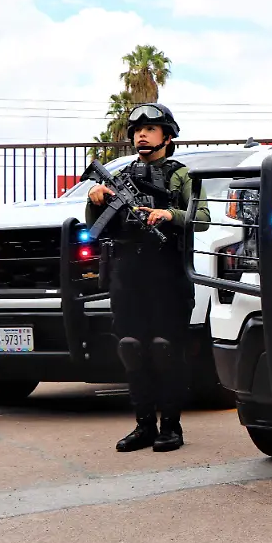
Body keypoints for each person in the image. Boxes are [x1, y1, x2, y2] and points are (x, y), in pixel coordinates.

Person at [85, 103, 210, 452]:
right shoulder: (120, 176)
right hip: (127, 272)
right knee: (130, 347)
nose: (141, 134)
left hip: (167, 270)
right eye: (137, 130)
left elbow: (201, 216)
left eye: (150, 129)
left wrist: (168, 214)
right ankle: (143, 425)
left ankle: (171, 426)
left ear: (167, 136)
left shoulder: (181, 175)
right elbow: (94, 226)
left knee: (165, 348)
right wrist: (95, 199)